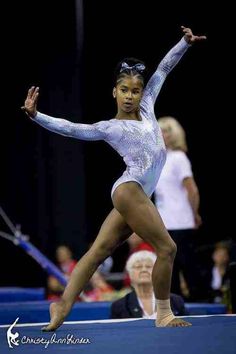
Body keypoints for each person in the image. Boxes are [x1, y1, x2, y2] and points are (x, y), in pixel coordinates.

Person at [21, 26, 206, 329]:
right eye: (124, 91)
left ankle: (62, 307)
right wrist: (37, 116)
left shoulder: (148, 108)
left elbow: (163, 69)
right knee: (168, 248)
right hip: (129, 190)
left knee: (97, 252)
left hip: (136, 194)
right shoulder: (110, 127)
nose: (130, 96)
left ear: (141, 93)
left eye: (135, 91)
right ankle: (163, 313)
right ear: (114, 92)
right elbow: (71, 128)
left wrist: (183, 43)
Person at [154, 116, 202, 300]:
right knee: (169, 267)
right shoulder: (160, 159)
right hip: (164, 223)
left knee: (188, 264)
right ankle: (174, 302)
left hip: (181, 221)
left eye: (166, 131)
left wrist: (194, 213)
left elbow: (192, 190)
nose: (163, 135)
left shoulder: (179, 158)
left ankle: (200, 302)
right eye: (160, 131)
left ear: (174, 135)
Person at [111, 251, 186, 318]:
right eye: (138, 267)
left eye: (149, 266)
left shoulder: (175, 301)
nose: (144, 270)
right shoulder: (120, 306)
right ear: (130, 274)